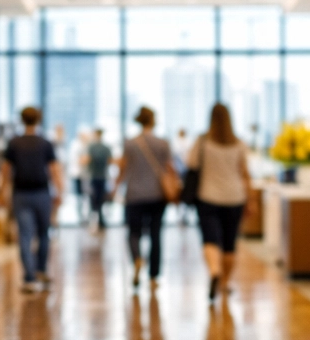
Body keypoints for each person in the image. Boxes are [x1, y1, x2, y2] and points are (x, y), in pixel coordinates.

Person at [189, 102, 254, 303]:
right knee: (229, 243)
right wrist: (251, 200)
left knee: (210, 239)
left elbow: (191, 164)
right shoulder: (239, 144)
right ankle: (225, 283)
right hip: (235, 197)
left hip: (208, 197)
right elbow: (245, 173)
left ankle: (214, 271)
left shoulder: (202, 142)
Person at [0, 106, 63, 292]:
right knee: (44, 234)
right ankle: (41, 270)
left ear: (22, 120)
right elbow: (54, 170)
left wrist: (2, 192)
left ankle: (29, 277)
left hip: (21, 194)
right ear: (38, 120)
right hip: (42, 193)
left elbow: (5, 170)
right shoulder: (45, 143)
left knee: (25, 235)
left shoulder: (14, 143)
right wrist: (60, 191)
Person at [117, 106, 177, 291]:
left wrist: (114, 188)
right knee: (155, 234)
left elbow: (123, 168)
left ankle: (137, 259)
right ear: (153, 120)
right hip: (157, 196)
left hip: (134, 195)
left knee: (134, 232)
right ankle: (153, 276)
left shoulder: (130, 143)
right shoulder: (163, 143)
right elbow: (169, 167)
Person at [85, 128, 113, 230]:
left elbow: (87, 160)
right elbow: (110, 161)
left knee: (93, 198)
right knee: (100, 198)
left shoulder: (91, 147)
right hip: (102, 176)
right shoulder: (106, 147)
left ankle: (94, 219)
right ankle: (100, 219)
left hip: (94, 176)